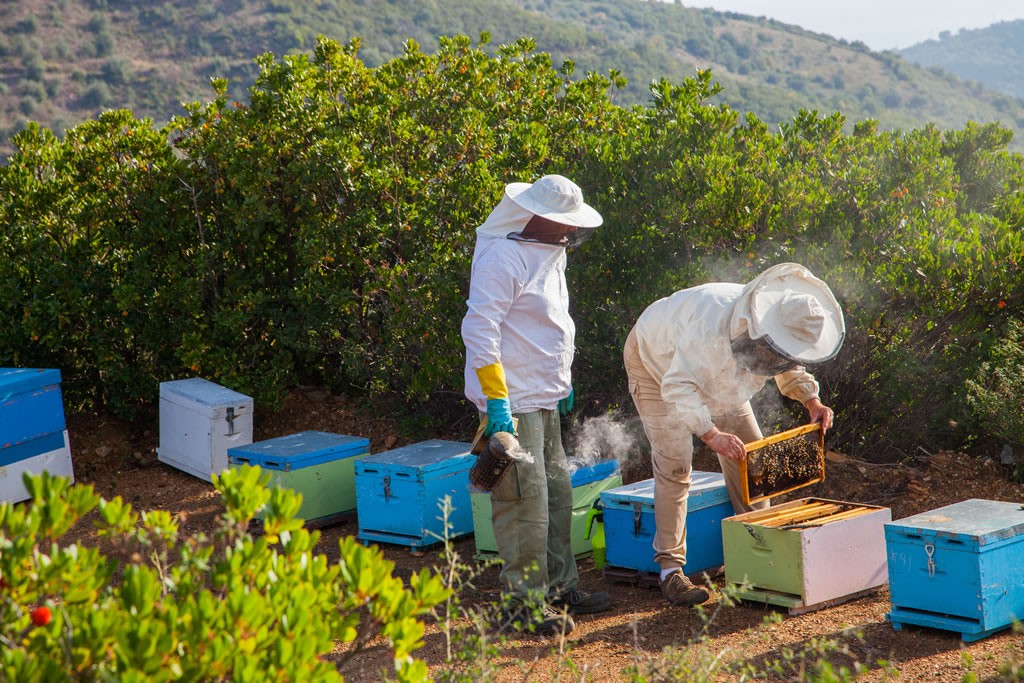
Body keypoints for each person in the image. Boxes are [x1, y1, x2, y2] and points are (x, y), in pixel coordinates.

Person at [622, 263, 845, 606]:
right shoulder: (711, 329)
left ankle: (754, 552)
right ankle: (671, 571)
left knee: (752, 457)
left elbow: (788, 362)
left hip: (719, 381)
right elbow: (679, 385)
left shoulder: (777, 325)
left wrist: (811, 400)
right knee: (676, 466)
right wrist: (711, 435)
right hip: (657, 365)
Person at [461, 174, 613, 636]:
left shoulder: (550, 251)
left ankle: (559, 589)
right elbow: (480, 330)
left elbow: (549, 322)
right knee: (524, 500)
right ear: (537, 217)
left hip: (542, 395)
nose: (569, 233)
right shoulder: (501, 256)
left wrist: (560, 381)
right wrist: (497, 402)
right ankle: (521, 605)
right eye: (562, 225)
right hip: (513, 400)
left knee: (556, 494)